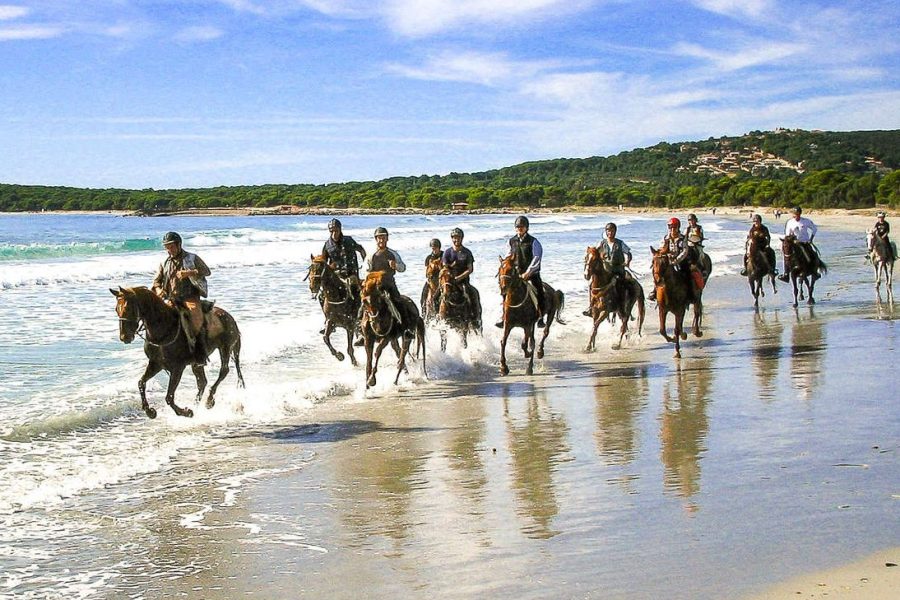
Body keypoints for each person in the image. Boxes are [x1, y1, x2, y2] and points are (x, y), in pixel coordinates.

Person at [151, 231, 211, 363]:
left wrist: (190, 272)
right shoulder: (164, 262)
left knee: (196, 319)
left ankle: (200, 352)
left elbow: (207, 271)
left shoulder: (192, 258)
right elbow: (156, 281)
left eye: (171, 246)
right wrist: (159, 289)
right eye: (167, 247)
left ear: (179, 245)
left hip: (190, 297)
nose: (169, 250)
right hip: (171, 298)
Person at [496, 216, 546, 328]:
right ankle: (503, 316)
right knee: (505, 290)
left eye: (522, 227)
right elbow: (509, 255)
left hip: (531, 274)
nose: (520, 228)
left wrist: (528, 272)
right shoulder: (511, 241)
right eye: (518, 227)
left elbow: (537, 258)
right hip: (516, 273)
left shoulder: (534, 242)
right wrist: (504, 263)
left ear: (526, 228)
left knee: (539, 291)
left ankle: (541, 317)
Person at [583, 222, 632, 316]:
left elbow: (628, 253)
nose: (610, 233)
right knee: (591, 285)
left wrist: (627, 262)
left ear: (615, 231)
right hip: (606, 270)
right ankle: (591, 306)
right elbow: (594, 252)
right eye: (608, 231)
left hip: (617, 270)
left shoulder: (620, 243)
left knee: (620, 285)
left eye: (612, 230)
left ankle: (622, 306)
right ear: (606, 232)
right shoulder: (602, 243)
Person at [442, 227, 481, 327]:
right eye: (454, 238)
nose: (456, 240)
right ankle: (439, 318)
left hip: (463, 281)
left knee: (473, 294)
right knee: (435, 296)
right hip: (449, 281)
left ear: (462, 238)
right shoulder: (447, 252)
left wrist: (459, 278)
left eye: (458, 237)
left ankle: (475, 317)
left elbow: (470, 269)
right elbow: (445, 267)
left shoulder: (467, 252)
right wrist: (450, 275)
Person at [321, 218, 366, 298]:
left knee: (358, 296)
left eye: (336, 231)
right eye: (331, 231)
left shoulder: (349, 240)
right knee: (322, 296)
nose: (334, 233)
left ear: (340, 229)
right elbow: (323, 262)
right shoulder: (327, 245)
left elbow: (361, 249)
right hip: (335, 276)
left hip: (351, 274)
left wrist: (366, 264)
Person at [779, 206, 818, 282]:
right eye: (795, 214)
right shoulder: (790, 222)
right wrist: (791, 240)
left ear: (800, 214)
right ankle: (786, 274)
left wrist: (811, 239)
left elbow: (814, 229)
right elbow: (787, 234)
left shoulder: (806, 221)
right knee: (786, 256)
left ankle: (815, 271)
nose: (796, 216)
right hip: (794, 243)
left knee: (812, 254)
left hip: (804, 242)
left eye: (798, 214)